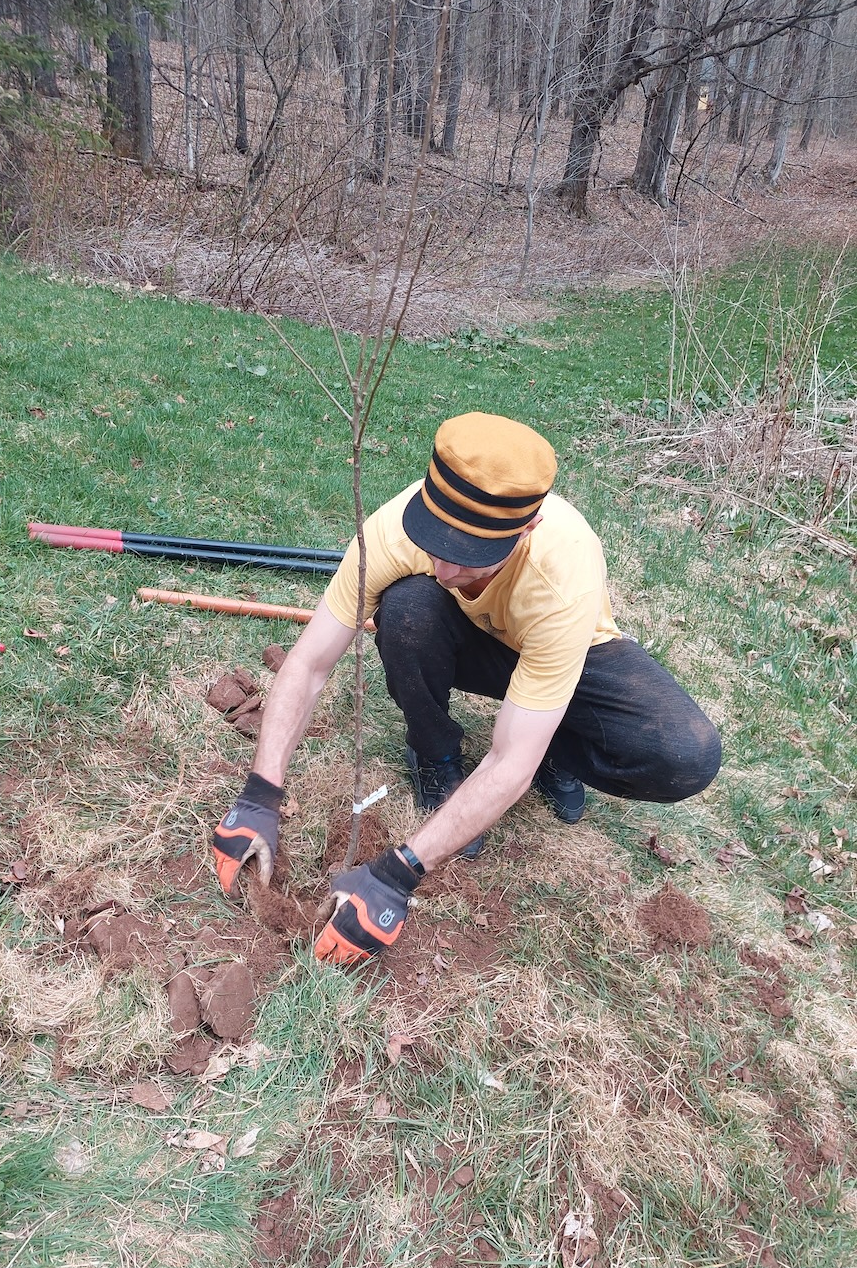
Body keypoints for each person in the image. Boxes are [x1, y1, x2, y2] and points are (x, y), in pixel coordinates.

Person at [213, 412, 721, 964]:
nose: (443, 567)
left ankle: (553, 740)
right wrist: (260, 793)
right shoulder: (392, 533)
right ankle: (436, 755)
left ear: (525, 530)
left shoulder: (563, 573)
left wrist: (396, 874)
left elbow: (508, 763)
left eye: (470, 554)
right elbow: (309, 662)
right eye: (434, 541)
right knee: (408, 608)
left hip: (561, 650)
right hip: (463, 634)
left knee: (684, 755)